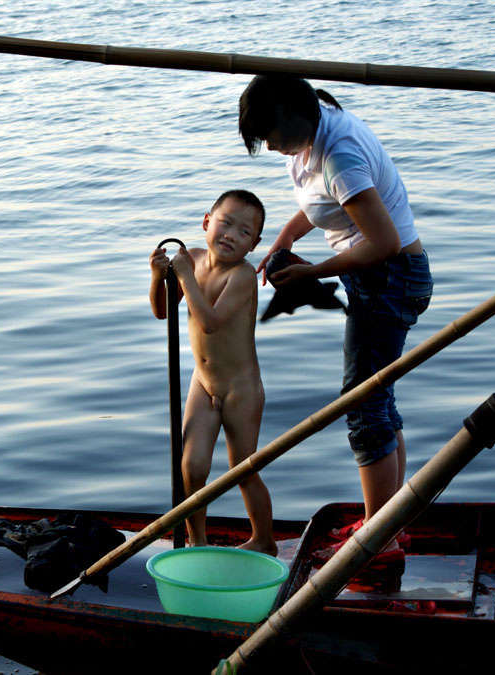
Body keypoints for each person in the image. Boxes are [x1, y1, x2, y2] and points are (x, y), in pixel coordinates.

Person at [238, 75, 433, 563]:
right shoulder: (311, 141)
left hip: (391, 277)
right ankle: (388, 519)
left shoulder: (340, 155)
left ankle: (379, 540)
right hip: (377, 277)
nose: (271, 146)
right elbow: (320, 206)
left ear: (296, 115)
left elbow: (384, 242)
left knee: (363, 405)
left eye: (272, 135)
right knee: (377, 397)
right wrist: (284, 242)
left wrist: (314, 273)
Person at [148, 190, 276, 554]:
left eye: (244, 231)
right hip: (203, 384)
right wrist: (159, 276)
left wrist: (185, 276)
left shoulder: (243, 276)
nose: (232, 234)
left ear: (255, 243)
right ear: (207, 222)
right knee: (192, 465)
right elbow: (163, 311)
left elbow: (211, 323)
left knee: (243, 469)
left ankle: (264, 540)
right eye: (226, 223)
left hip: (241, 389)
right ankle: (197, 541)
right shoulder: (195, 261)